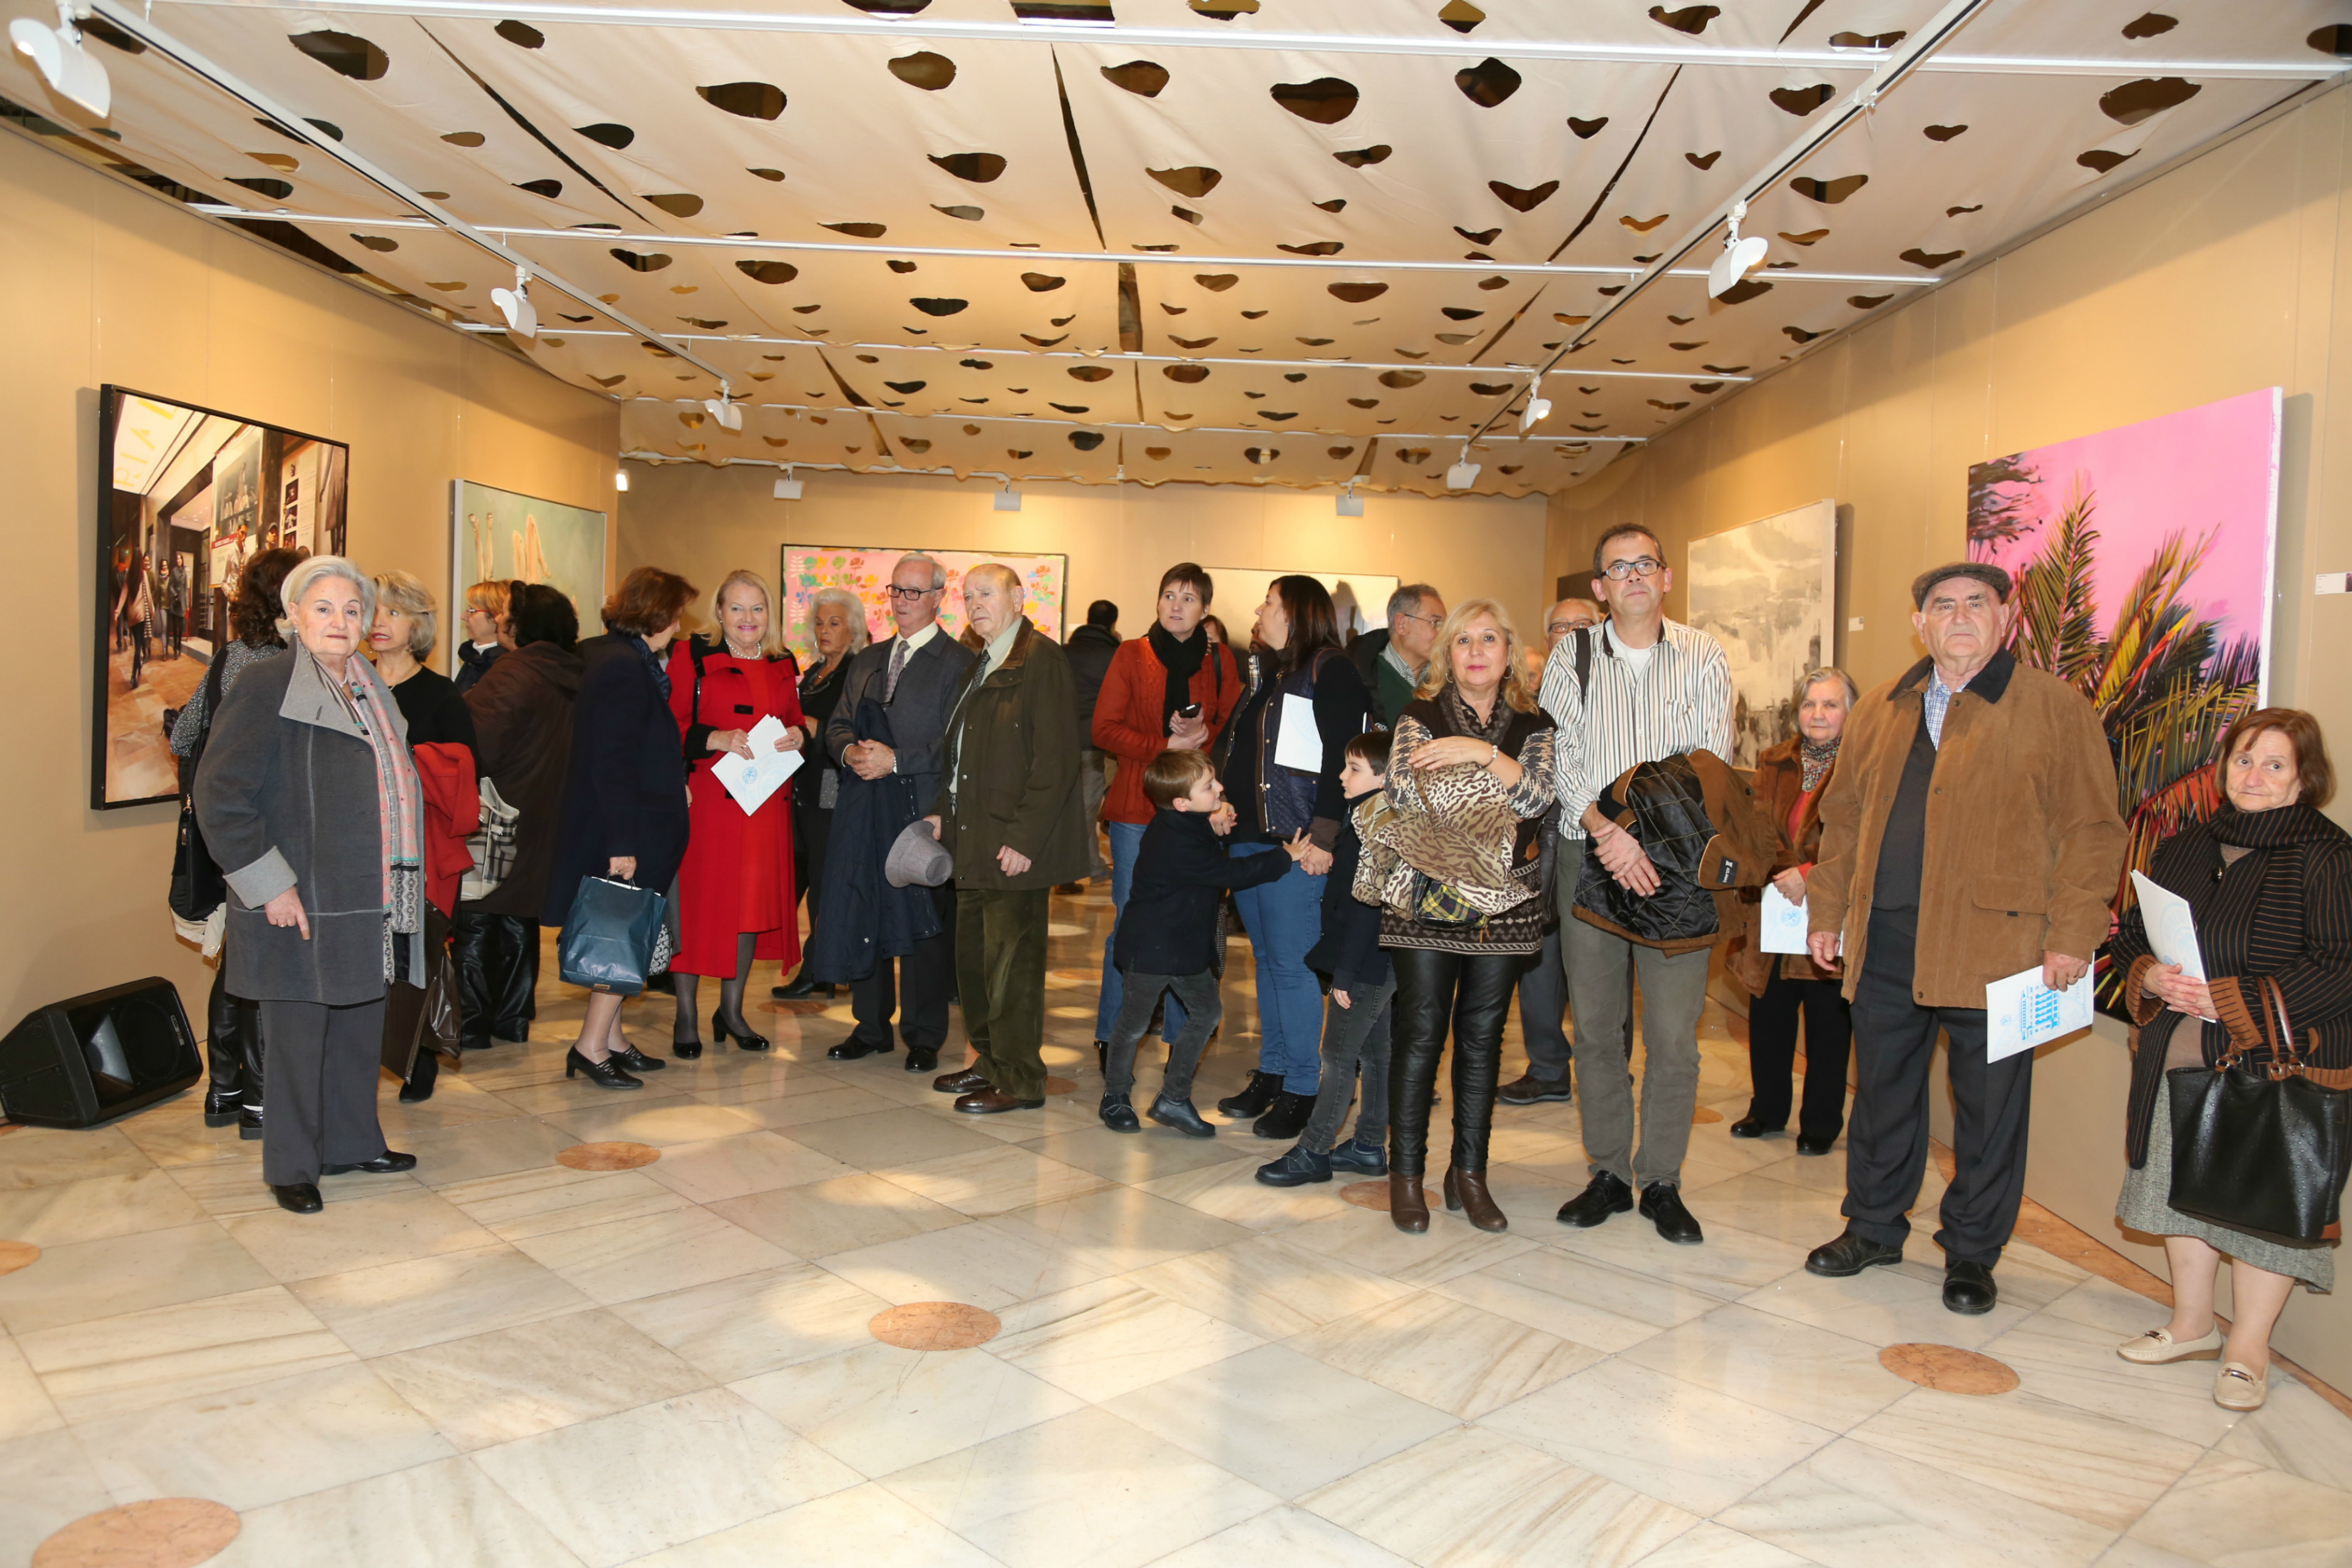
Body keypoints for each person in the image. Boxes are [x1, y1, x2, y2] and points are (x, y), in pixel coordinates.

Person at [1802, 562, 2125, 1314]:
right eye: (1942, 605)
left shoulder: (2054, 708)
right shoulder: (1882, 706)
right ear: (1920, 623)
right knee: (1882, 1096)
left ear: (2004, 618)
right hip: (1886, 939)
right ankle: (1873, 1227)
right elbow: (1842, 818)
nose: (1958, 616)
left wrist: (2073, 934)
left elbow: (2092, 829)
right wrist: (1827, 911)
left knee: (1989, 1111)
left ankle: (1973, 1252)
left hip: (1999, 949)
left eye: (1976, 603)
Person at [2109, 708, 2350, 1410]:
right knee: (2175, 1191)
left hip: (2276, 1068)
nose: (2255, 775)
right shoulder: (2186, 844)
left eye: (2275, 764)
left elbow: (2339, 967)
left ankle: (2248, 1348)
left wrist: (2235, 1000)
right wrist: (2150, 974)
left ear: (2304, 778)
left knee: (2259, 1209)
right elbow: (2132, 933)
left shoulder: (2330, 856)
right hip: (2176, 1052)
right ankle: (2192, 1324)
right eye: (2245, 760)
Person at [195, 557, 423, 1214]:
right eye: (323, 608)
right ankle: (291, 1164)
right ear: (294, 615)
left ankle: (351, 1142)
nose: (340, 621)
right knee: (296, 1034)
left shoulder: (370, 687)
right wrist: (269, 885)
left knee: (359, 1021)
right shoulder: (267, 682)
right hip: (298, 895)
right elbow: (220, 794)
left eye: (352, 610)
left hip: (371, 890)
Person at [1547, 525, 1734, 1247]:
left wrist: (1643, 837)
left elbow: (1708, 761)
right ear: (1599, 587)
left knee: (1673, 1036)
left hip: (1678, 865)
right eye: (1617, 568)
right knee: (1597, 1029)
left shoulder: (1704, 654)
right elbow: (1558, 757)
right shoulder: (1571, 655)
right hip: (1588, 853)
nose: (1632, 576)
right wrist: (1608, 831)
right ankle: (1606, 1171)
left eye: (1644, 564)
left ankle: (1661, 1179)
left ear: (1666, 577)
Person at [1368, 602, 1559, 1232]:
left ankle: (1468, 1175)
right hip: (1427, 896)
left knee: (1482, 1039)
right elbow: (1404, 792)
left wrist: (1479, 753)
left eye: (1490, 639)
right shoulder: (1418, 716)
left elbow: (1538, 797)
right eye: (1463, 640)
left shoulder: (1534, 722)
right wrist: (1499, 777)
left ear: (1509, 654)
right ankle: (1406, 1176)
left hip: (1506, 904)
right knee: (1421, 1033)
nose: (1476, 651)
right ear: (1446, 655)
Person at [924, 564, 1092, 1112]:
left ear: (1018, 598)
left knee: (1012, 969)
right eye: (968, 596)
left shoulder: (1041, 660)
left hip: (1011, 843)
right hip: (972, 839)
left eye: (986, 593)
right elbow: (960, 755)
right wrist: (940, 814)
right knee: (975, 964)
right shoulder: (983, 661)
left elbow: (1056, 760)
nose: (975, 604)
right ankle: (990, 1062)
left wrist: (1024, 838)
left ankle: (1020, 1078)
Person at [1216, 575, 1376, 1138]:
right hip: (1253, 838)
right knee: (1266, 961)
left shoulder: (1330, 670)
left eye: (1270, 602)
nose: (1260, 610)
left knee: (1291, 965)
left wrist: (1325, 838)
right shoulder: (1273, 674)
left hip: (1298, 841)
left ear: (1297, 613)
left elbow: (1343, 759)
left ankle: (1305, 1088)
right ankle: (1276, 1071)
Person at [808, 553, 976, 1071]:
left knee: (924, 925)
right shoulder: (869, 659)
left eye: (914, 592)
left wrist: (895, 760)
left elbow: (958, 744)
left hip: (923, 812)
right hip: (863, 806)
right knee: (865, 911)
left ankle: (924, 1036)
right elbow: (838, 723)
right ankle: (871, 1027)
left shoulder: (957, 663)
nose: (902, 601)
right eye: (896, 591)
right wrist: (849, 753)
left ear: (938, 597)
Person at [542, 567, 700, 1089]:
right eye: (675, 615)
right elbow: (610, 761)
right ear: (655, 613)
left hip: (640, 822)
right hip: (630, 830)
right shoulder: (621, 666)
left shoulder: (619, 657)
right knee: (620, 938)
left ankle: (611, 1039)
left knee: (626, 933)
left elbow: (639, 748)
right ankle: (590, 1046)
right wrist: (622, 844)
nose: (678, 626)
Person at [1103, 749, 1309, 1135]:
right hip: (1150, 950)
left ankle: (1173, 1098)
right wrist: (1284, 857)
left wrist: (1215, 814)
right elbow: (1227, 872)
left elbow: (1205, 837)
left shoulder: (1182, 821)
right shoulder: (1174, 841)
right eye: (1209, 786)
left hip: (1183, 947)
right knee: (1133, 1024)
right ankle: (1115, 1096)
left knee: (1207, 1012)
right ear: (1182, 803)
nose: (1220, 787)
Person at [1091, 564, 1244, 1068]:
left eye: (1189, 598)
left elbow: (1233, 726)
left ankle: (1182, 1039)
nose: (1177, 606)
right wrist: (1165, 745)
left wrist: (1203, 736)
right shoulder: (1132, 654)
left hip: (1198, 811)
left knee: (1192, 922)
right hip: (1139, 808)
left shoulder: (1220, 659)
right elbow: (1104, 729)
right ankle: (1114, 1035)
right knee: (1132, 919)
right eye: (1169, 595)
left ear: (1205, 609)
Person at [172, 546, 301, 1137]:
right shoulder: (292, 667)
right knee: (263, 964)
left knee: (233, 957)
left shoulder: (231, 657)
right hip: (273, 833)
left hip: (223, 833)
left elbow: (184, 735)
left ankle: (223, 1091)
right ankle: (259, 1101)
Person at [667, 570, 807, 1056]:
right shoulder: (691, 656)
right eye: (737, 608)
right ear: (720, 612)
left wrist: (801, 735)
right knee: (697, 906)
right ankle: (686, 1014)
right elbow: (668, 724)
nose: (749, 618)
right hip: (707, 803)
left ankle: (731, 1011)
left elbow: (794, 720)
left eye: (758, 608)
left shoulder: (782, 662)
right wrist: (714, 737)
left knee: (749, 907)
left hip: (764, 804)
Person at [1258, 730, 1398, 1186]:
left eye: (1354, 768)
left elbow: (1367, 907)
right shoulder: (1371, 816)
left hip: (1366, 959)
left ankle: (1314, 1150)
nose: (1341, 776)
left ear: (1386, 776)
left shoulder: (1376, 826)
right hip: (1378, 958)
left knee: (1337, 1055)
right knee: (1375, 1053)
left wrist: (1346, 971)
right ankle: (1369, 1145)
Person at [1727, 669, 1857, 1152]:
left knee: (1828, 1023)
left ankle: (1820, 1122)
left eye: (1830, 705)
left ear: (1850, 713)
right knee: (1770, 1014)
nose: (1817, 714)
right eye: (1809, 704)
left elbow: (1863, 840)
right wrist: (1784, 871)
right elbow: (1756, 828)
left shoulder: (1865, 765)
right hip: (1775, 906)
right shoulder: (1774, 761)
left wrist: (1810, 873)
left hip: (1831, 910)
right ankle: (1767, 1110)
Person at [368, 572, 480, 1104]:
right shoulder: (348, 683)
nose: (379, 622)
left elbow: (467, 771)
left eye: (392, 612)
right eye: (373, 611)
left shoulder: (439, 693)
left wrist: (405, 758)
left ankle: (420, 1053)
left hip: (424, 845)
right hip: (361, 843)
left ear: (418, 625)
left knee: (419, 950)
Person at [456, 584, 582, 1056]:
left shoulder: (515, 671)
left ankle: (471, 1023)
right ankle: (512, 1020)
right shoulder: (569, 673)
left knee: (476, 915)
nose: (501, 621)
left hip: (496, 814)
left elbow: (478, 745)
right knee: (518, 915)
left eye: (507, 613)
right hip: (541, 812)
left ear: (522, 624)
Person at [1502, 594, 1609, 1108]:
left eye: (1582, 624)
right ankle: (1548, 1069)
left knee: (1607, 964)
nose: (1570, 633)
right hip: (1538, 852)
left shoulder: (1614, 694)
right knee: (1538, 965)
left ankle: (1607, 1068)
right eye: (1560, 626)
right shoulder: (1521, 707)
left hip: (1600, 846)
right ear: (1547, 640)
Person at [774, 586, 867, 1001]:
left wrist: (816, 727)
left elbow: (857, 730)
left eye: (834, 623)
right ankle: (822, 965)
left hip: (833, 784)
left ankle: (821, 967)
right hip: (801, 784)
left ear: (854, 630)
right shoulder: (813, 673)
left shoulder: (857, 672)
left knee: (826, 879)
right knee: (807, 873)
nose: (824, 630)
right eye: (819, 623)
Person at [1063, 598, 1121, 888]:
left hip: (1059, 743)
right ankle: (1083, 869)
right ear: (1113, 623)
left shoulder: (1062, 652)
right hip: (1095, 743)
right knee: (1086, 810)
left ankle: (1071, 870)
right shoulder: (1114, 656)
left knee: (1060, 808)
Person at [1351, 583, 1446, 728]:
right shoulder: (1359, 678)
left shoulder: (1448, 680)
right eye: (1435, 623)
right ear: (1402, 625)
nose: (1445, 634)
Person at [453, 579, 515, 693]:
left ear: (496, 616)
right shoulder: (471, 655)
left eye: (472, 610)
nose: (463, 617)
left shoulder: (509, 666)